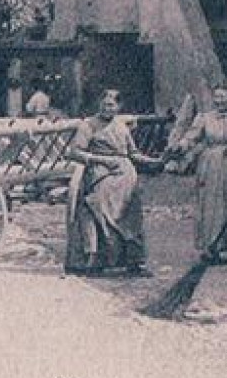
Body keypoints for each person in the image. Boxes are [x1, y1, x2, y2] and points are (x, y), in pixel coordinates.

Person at [64, 90, 158, 276]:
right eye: (104, 104)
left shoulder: (121, 126)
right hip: (101, 172)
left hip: (125, 175)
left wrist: (154, 161)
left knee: (130, 216)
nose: (107, 108)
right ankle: (98, 260)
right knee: (99, 209)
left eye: (111, 105)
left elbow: (132, 152)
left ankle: (134, 262)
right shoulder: (88, 125)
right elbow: (74, 152)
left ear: (119, 107)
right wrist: (100, 160)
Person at [172, 82, 227, 264]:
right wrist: (180, 146)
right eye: (216, 97)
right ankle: (213, 248)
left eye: (222, 97)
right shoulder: (205, 118)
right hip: (211, 166)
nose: (218, 101)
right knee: (212, 205)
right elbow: (191, 137)